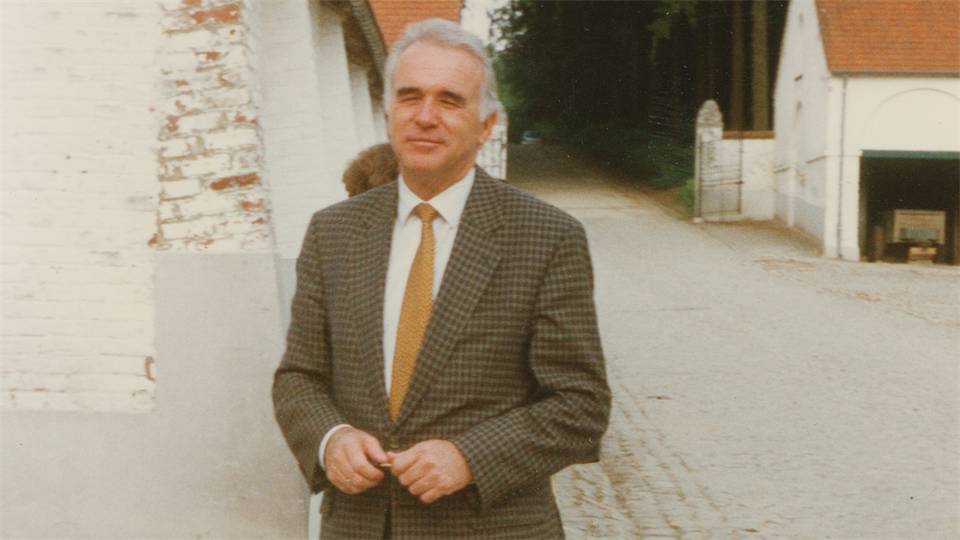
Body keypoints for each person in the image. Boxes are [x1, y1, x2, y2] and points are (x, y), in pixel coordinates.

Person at [273, 18, 611, 539]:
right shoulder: (332, 232)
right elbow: (299, 377)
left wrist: (470, 456)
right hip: (360, 526)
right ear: (388, 112)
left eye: (449, 101)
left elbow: (580, 406)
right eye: (409, 97)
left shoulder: (546, 236)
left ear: (486, 124)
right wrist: (330, 438)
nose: (425, 116)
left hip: (491, 529)